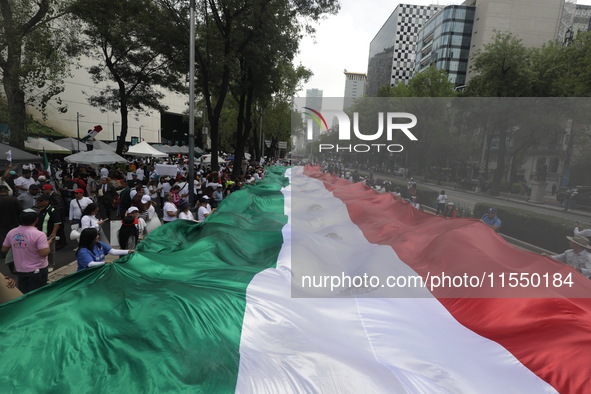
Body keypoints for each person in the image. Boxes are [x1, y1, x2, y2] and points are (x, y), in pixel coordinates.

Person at [1, 209, 51, 293]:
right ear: (36, 220)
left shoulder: (12, 232)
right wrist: (48, 244)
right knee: (37, 295)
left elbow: (4, 249)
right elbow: (44, 253)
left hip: (20, 269)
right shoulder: (39, 235)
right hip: (37, 270)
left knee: (24, 294)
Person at [35, 194, 62, 272]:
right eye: (38, 200)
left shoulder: (52, 210)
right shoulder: (35, 209)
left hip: (48, 234)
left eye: (40, 201)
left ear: (47, 202)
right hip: (36, 235)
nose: (38, 202)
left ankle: (50, 264)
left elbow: (57, 222)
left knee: (50, 250)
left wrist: (53, 233)